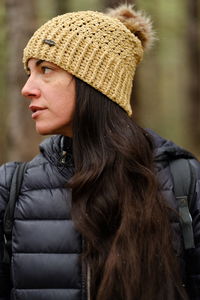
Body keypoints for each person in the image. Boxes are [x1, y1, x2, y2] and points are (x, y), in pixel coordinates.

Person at [0, 4, 199, 300]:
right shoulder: (12, 188)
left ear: (96, 82)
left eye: (45, 69)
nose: (27, 88)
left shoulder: (184, 182)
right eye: (29, 72)